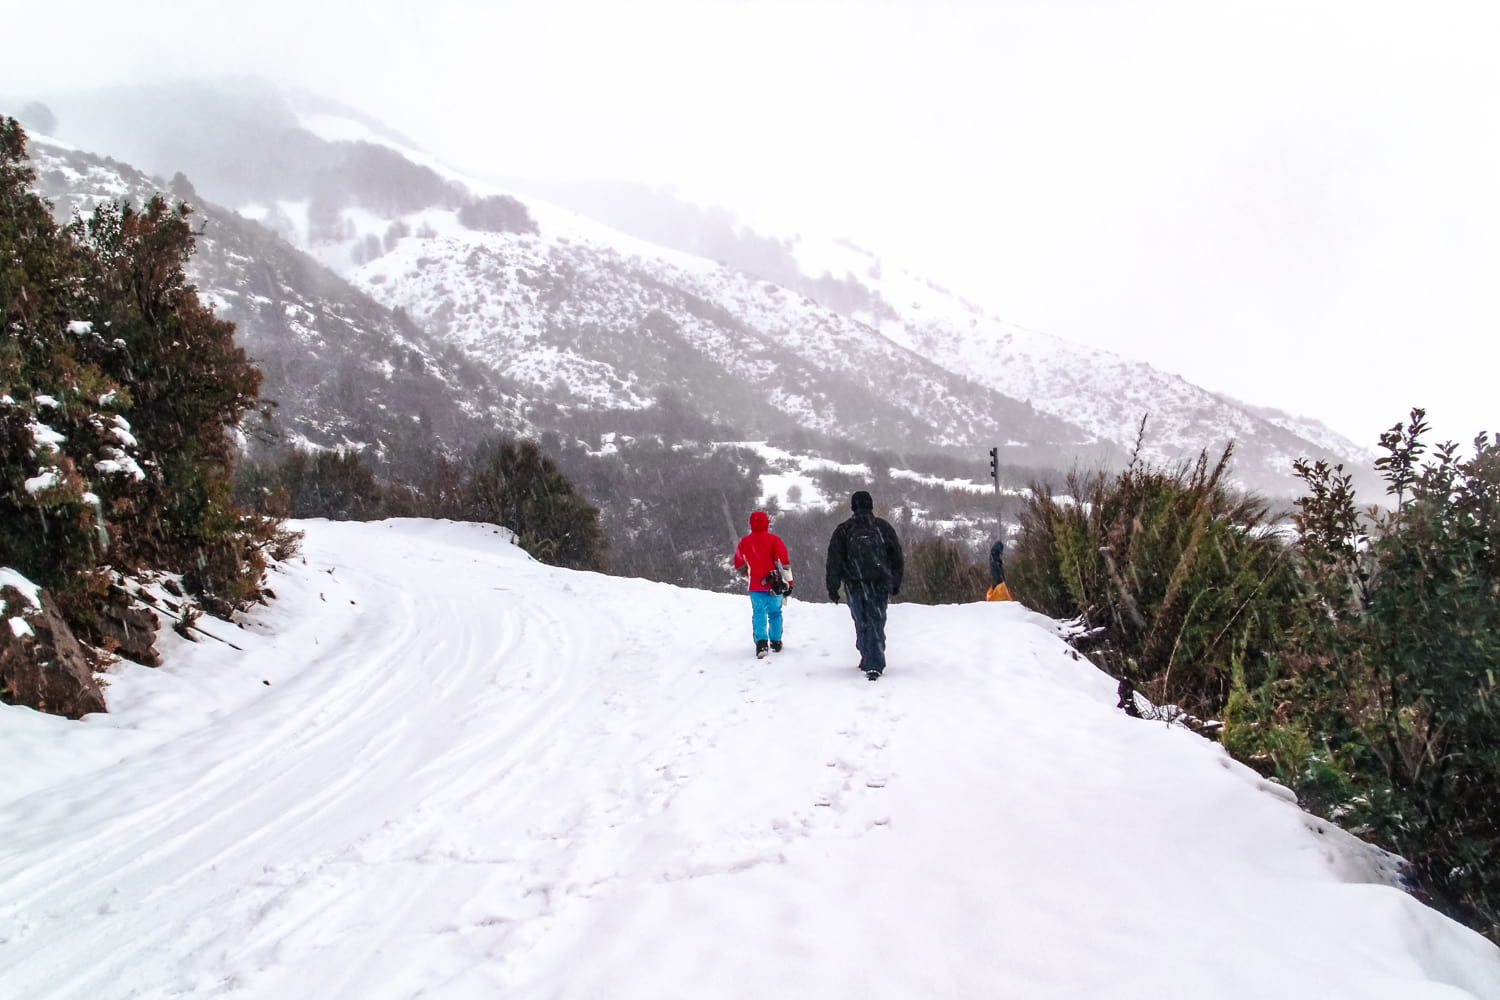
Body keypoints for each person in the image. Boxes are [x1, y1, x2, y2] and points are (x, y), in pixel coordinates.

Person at [825, 490, 904, 680]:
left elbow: (834, 561)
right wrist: (895, 581)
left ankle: (868, 657)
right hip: (879, 582)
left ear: (853, 506)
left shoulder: (843, 530)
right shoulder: (883, 528)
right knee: (876, 620)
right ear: (871, 505)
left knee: (861, 621)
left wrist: (833, 587)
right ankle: (874, 659)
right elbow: (897, 557)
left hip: (855, 583)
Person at [733, 510, 793, 659]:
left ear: (751, 524)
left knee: (759, 613)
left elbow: (738, 562)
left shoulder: (745, 542)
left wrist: (747, 574)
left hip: (755, 585)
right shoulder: (774, 540)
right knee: (775, 613)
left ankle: (761, 643)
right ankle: (776, 641)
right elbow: (784, 562)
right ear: (767, 523)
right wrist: (789, 582)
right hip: (774, 585)